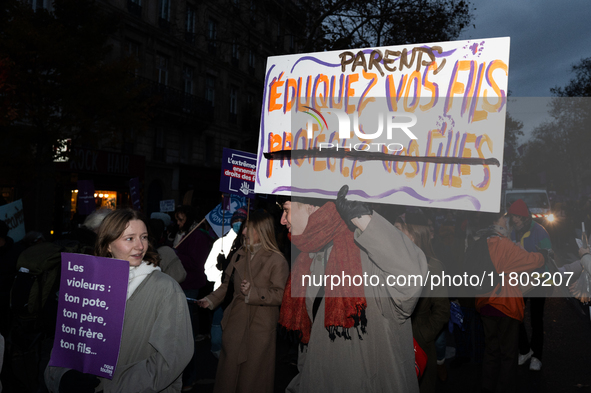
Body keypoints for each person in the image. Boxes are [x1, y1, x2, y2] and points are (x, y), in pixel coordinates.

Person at [279, 186, 428, 393]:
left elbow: (410, 280)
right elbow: (312, 341)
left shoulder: (365, 253)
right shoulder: (309, 259)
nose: (282, 220)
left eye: (286, 209)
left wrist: (364, 220)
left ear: (312, 207)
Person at [45, 208, 193, 393]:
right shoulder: (87, 283)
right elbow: (67, 343)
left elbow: (172, 358)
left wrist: (109, 386)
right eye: (130, 238)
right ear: (108, 244)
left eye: (144, 237)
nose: (140, 246)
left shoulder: (165, 288)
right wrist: (64, 377)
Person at [197, 210, 289, 393]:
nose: (243, 232)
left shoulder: (277, 260)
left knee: (252, 377)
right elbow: (226, 285)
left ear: (260, 230)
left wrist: (254, 292)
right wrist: (210, 299)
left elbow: (280, 295)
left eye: (248, 227)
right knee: (229, 375)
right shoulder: (239, 254)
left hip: (260, 326)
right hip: (236, 323)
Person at [474, 211, 545, 393]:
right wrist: (543, 256)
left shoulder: (480, 242)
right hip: (505, 304)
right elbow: (530, 261)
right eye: (502, 218)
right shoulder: (504, 244)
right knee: (508, 354)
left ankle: (486, 387)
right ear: (495, 222)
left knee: (491, 350)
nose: (506, 221)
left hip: (485, 303)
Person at [395, 209, 450, 393]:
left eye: (399, 228)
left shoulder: (432, 267)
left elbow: (442, 310)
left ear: (413, 234)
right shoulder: (392, 263)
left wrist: (422, 334)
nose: (395, 233)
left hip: (420, 345)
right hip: (394, 343)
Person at [507, 198, 552, 371]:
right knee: (515, 316)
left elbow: (547, 256)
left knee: (536, 320)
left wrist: (525, 256)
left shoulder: (540, 231)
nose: (514, 220)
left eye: (517, 217)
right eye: (513, 216)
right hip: (520, 282)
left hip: (539, 282)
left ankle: (537, 357)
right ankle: (525, 350)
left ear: (525, 217)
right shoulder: (512, 231)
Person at [203, 207, 247, 358]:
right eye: (236, 220)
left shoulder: (250, 246)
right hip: (221, 295)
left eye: (242, 221)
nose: (238, 224)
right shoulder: (220, 243)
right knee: (217, 331)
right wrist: (220, 271)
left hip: (241, 296)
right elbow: (208, 271)